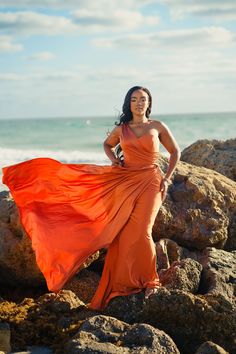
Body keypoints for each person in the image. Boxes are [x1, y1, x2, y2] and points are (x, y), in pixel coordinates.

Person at [2, 85, 181, 310]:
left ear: (149, 103)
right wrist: (114, 160)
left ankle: (150, 280)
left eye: (143, 99)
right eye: (134, 99)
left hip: (151, 181)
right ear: (129, 103)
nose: (139, 102)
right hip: (124, 181)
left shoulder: (157, 126)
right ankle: (125, 281)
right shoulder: (122, 129)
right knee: (123, 234)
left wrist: (167, 177)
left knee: (143, 230)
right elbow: (107, 145)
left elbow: (175, 152)